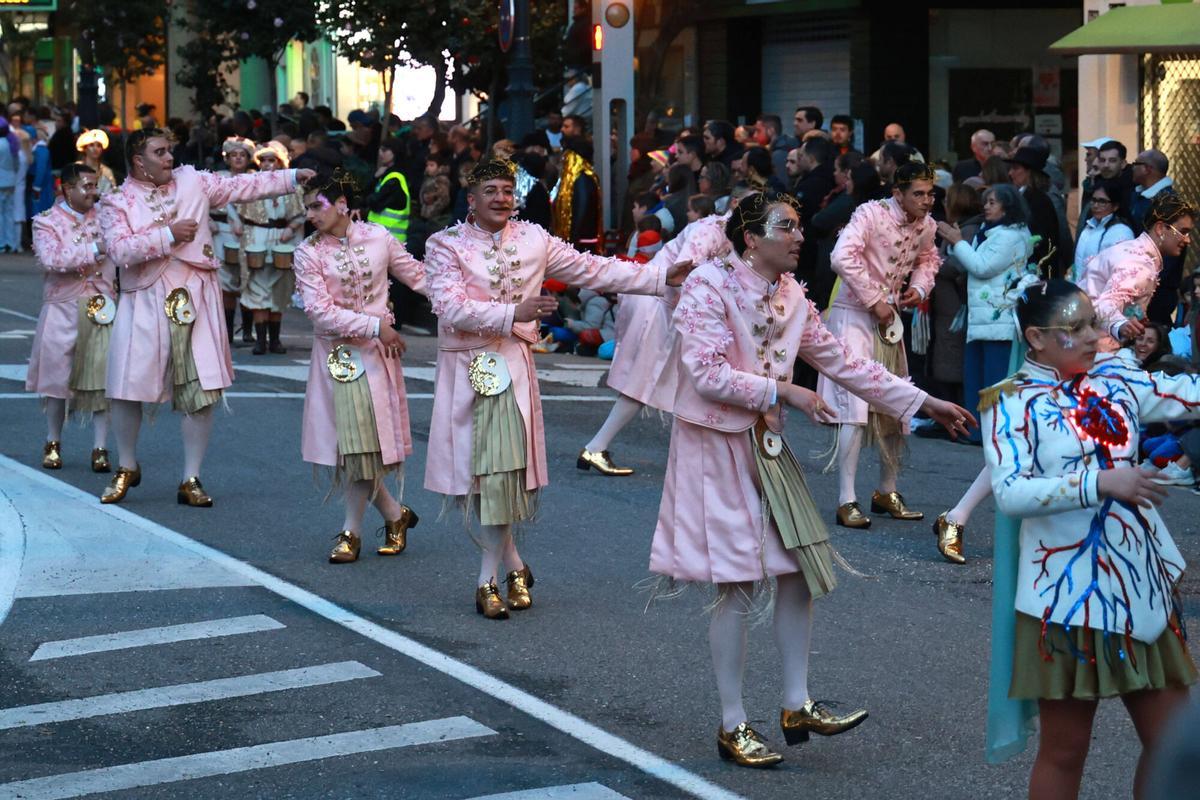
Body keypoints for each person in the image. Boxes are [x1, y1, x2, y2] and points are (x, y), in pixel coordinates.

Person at [650, 191, 973, 768]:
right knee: (737, 580)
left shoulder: (792, 293)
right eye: (789, 227)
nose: (801, 237)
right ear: (751, 236)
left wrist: (924, 401)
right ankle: (732, 724)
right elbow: (704, 374)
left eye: (801, 227)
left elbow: (848, 365)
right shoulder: (706, 284)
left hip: (765, 444)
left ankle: (796, 704)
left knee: (798, 568)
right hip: (715, 442)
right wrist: (785, 391)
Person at [422, 159, 695, 619]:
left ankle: (487, 579)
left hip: (512, 365)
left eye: (508, 190)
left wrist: (656, 277)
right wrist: (516, 311)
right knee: (478, 477)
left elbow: (591, 269)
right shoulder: (443, 245)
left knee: (501, 473)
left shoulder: (534, 238)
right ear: (471, 199)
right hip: (466, 368)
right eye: (490, 190)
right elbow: (449, 307)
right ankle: (514, 565)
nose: (501, 198)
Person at [981, 279, 1198, 799]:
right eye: (1074, 328)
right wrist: (1099, 482)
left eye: (1093, 324)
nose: (1092, 336)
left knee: (1174, 741)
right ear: (1035, 337)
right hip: (1065, 598)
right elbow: (1010, 493)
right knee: (1065, 748)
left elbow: (1185, 396)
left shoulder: (1116, 379)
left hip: (1140, 590)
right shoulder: (1009, 402)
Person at [935, 193, 1197, 563]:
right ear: (1160, 228)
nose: (1187, 239)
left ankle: (959, 516)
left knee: (1059, 444)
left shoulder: (1135, 252)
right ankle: (1144, 555)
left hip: (1082, 351)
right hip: (1085, 356)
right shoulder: (1140, 263)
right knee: (1083, 444)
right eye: (1183, 232)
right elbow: (1104, 305)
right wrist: (1122, 328)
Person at [97, 128, 314, 506]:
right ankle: (126, 465)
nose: (169, 158)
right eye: (160, 152)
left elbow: (244, 187)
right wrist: (168, 235)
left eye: (170, 151)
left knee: (201, 389)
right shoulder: (117, 202)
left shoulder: (193, 180)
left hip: (196, 295)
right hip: (144, 299)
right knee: (127, 385)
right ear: (138, 160)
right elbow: (119, 251)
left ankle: (191, 477)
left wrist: (293, 176)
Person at [292, 172, 425, 563]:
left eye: (317, 205)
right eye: (307, 207)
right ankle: (392, 515)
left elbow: (418, 276)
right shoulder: (308, 252)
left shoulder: (379, 237)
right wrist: (376, 326)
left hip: (376, 359)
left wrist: (470, 296)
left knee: (361, 446)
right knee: (355, 446)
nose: (310, 214)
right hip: (339, 359)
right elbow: (320, 313)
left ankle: (355, 530)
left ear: (342, 205)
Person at [817, 162, 940, 529]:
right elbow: (841, 257)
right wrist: (874, 298)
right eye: (918, 193)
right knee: (853, 407)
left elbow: (929, 258)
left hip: (888, 321)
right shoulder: (870, 213)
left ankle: (887, 491)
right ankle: (846, 499)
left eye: (930, 193)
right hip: (853, 314)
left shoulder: (927, 225)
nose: (926, 201)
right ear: (898, 193)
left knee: (896, 404)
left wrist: (918, 288)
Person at [579, 202, 731, 475]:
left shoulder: (723, 233)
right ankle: (596, 447)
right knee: (646, 382)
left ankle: (600, 446)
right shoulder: (711, 231)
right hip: (660, 304)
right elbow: (684, 274)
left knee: (668, 382)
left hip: (665, 304)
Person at [26, 164, 115, 473]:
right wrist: (96, 248)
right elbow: (52, 260)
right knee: (55, 377)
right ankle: (53, 441)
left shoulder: (106, 216)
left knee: (102, 377)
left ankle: (100, 446)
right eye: (87, 186)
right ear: (67, 189)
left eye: (95, 185)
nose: (93, 191)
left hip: (101, 305)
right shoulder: (46, 222)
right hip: (62, 305)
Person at [935, 184, 1034, 450]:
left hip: (998, 317)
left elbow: (982, 267)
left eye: (993, 202)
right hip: (983, 317)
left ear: (1008, 206)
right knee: (976, 376)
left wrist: (958, 242)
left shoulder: (1011, 235)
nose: (987, 206)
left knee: (995, 379)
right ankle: (976, 431)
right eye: (986, 201)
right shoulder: (990, 231)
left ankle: (996, 433)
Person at [239, 141, 305, 355]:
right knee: (258, 288)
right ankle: (260, 340)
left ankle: (275, 339)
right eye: (263, 160)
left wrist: (292, 227)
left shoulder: (292, 187)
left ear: (280, 162)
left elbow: (301, 213)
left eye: (272, 160)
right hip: (257, 236)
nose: (267, 164)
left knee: (279, 290)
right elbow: (234, 205)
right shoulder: (251, 183)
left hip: (281, 238)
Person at [1005, 146, 1062, 277]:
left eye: (1016, 168)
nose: (1010, 173)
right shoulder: (1022, 197)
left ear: (1029, 172)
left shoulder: (1038, 200)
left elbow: (1042, 240)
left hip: (1035, 270)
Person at [1072, 179, 1134, 283]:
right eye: (1094, 200)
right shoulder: (1089, 227)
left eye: (1102, 202)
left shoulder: (1121, 232)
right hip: (1081, 292)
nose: (1096, 205)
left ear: (1115, 206)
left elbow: (1120, 275)